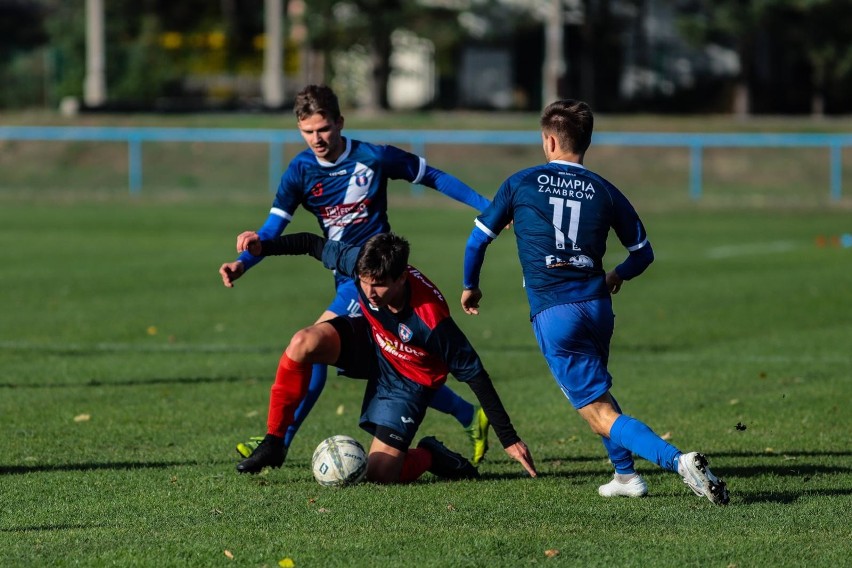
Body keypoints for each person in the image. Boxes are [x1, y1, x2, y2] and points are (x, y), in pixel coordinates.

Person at [459, 99, 730, 505]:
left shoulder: (521, 182)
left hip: (555, 313)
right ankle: (625, 476)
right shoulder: (605, 189)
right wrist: (617, 274)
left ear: (549, 140)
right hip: (598, 307)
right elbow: (643, 253)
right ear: (585, 141)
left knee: (598, 412)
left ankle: (678, 462)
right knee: (598, 398)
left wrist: (470, 285)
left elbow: (478, 240)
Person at [219, 84, 491, 466]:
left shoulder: (372, 157)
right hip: (342, 276)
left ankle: (277, 442)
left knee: (309, 346)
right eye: (308, 131)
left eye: (324, 129)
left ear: (340, 122)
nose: (318, 139)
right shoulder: (300, 170)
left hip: (371, 280)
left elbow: (433, 176)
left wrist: (488, 208)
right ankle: (467, 415)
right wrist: (242, 263)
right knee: (383, 362)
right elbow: (272, 228)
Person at [234, 231, 537, 483]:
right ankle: (274, 441)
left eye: (378, 284)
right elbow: (313, 244)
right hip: (371, 340)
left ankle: (432, 455)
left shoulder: (430, 321)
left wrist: (509, 438)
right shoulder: (362, 265)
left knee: (379, 474)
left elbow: (475, 374)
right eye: (365, 281)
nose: (369, 291)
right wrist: (264, 247)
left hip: (408, 378)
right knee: (304, 341)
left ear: (402, 278)